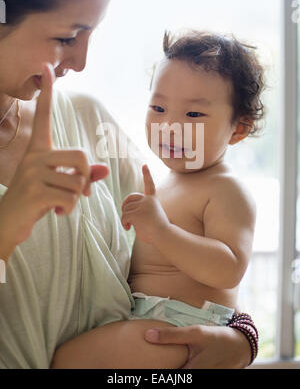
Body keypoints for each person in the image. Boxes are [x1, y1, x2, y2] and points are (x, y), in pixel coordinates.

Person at [0, 0, 257, 369]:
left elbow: (195, 264)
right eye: (66, 37)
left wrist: (240, 339)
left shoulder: (89, 121)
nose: (80, 61)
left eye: (90, 34)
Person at [50, 30, 264, 368]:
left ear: (238, 129)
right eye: (159, 108)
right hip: (151, 321)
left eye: (194, 115)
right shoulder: (165, 183)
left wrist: (161, 231)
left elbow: (228, 269)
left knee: (67, 361)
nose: (171, 126)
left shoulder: (225, 189)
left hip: (182, 328)